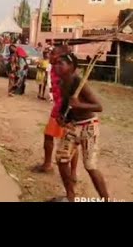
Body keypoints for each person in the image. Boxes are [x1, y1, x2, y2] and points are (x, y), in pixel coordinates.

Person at [55, 53, 109, 202]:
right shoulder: (62, 82)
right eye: (56, 63)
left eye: (61, 63)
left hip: (89, 126)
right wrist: (62, 116)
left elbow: (98, 106)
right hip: (73, 125)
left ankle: (105, 199)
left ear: (71, 67)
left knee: (90, 165)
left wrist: (79, 105)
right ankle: (70, 196)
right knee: (61, 159)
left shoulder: (79, 83)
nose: (57, 66)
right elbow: (67, 103)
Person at [34, 45, 78, 178]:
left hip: (66, 109)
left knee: (70, 141)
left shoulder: (68, 72)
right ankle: (50, 165)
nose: (50, 55)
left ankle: (71, 172)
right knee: (51, 136)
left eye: (54, 53)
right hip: (59, 107)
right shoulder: (54, 67)